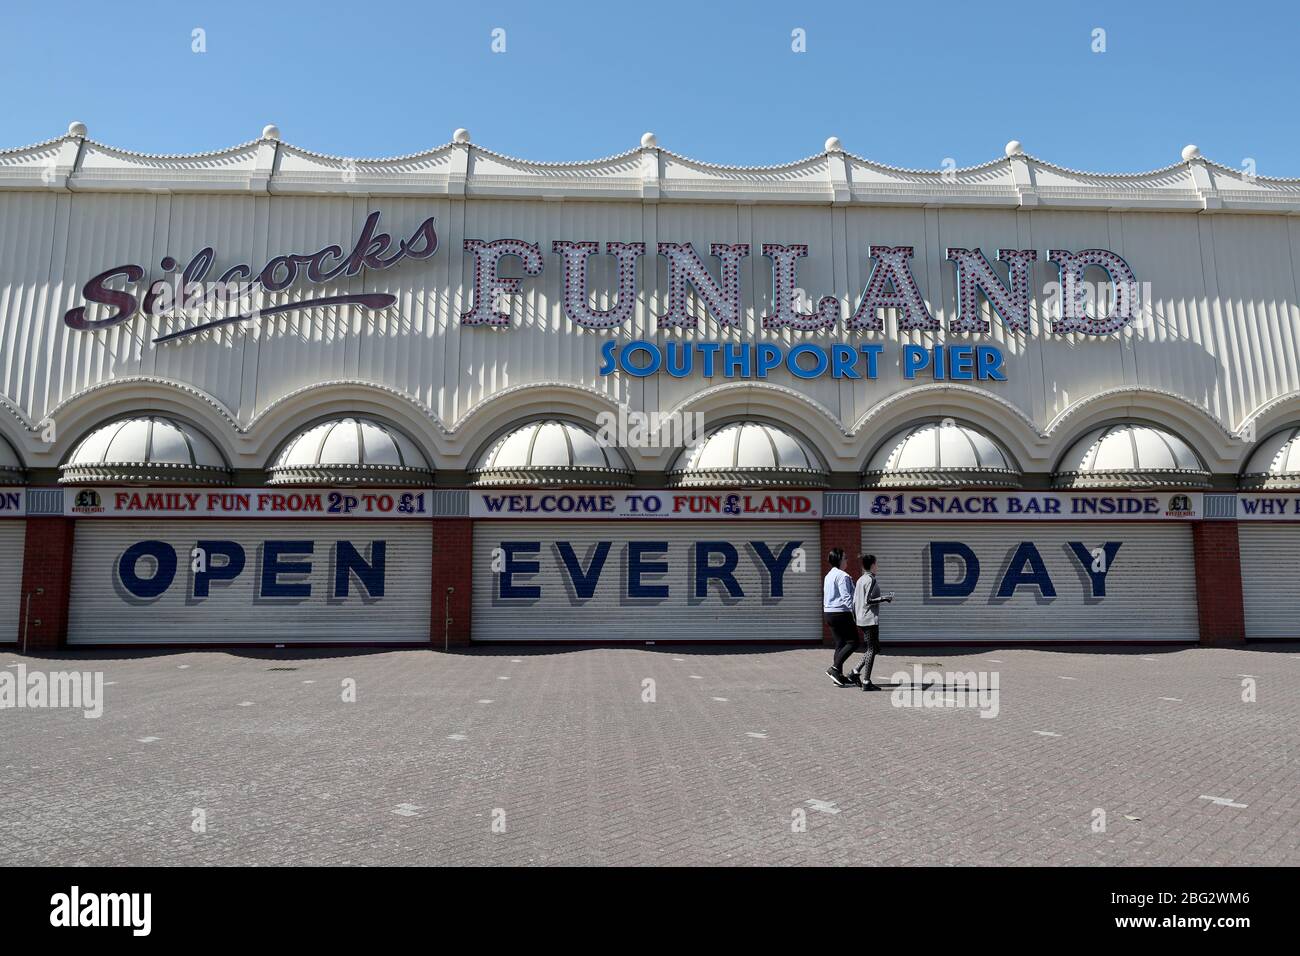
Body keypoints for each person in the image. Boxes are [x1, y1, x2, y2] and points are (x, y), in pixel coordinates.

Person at [849, 553, 892, 691]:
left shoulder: (860, 579)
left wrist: (855, 617)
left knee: (874, 648)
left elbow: (855, 601)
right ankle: (866, 681)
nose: (877, 566)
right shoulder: (871, 579)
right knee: (872, 649)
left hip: (861, 619)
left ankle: (855, 672)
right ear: (872, 565)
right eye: (876, 564)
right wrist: (884, 598)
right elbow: (868, 600)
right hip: (869, 619)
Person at [823, 548, 859, 687]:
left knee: (840, 644)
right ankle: (834, 669)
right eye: (845, 558)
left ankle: (837, 677)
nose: (847, 560)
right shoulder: (843, 576)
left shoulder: (829, 575)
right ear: (839, 560)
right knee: (853, 642)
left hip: (829, 613)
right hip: (841, 613)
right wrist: (856, 613)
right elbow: (847, 598)